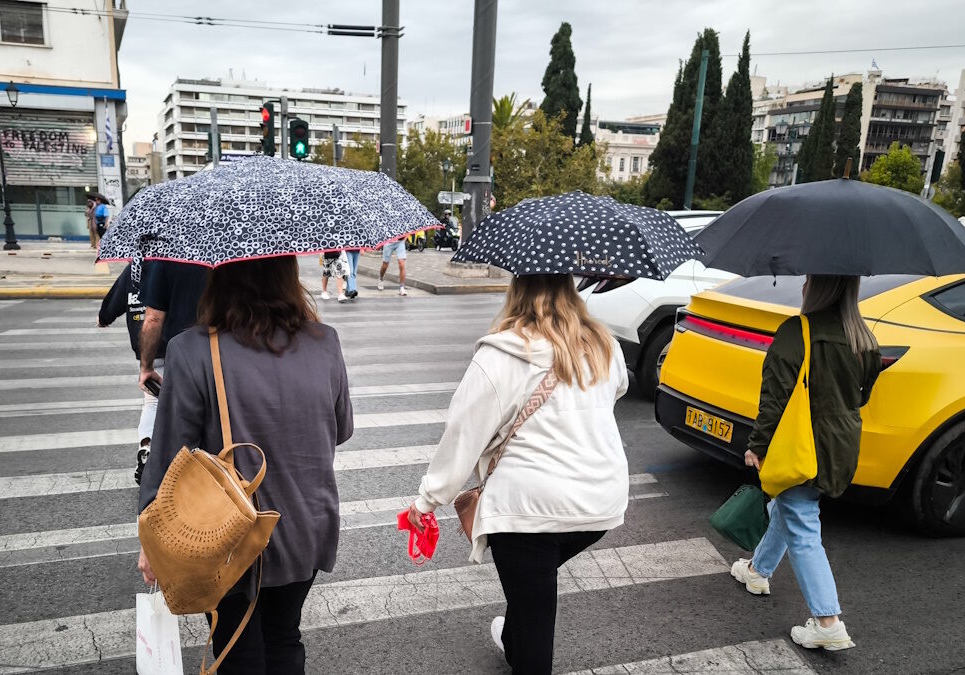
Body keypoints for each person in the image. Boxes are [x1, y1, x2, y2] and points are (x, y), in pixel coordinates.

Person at [138, 255, 354, 674]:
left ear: (219, 276)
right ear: (288, 275)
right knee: (284, 635)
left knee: (237, 649)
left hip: (229, 535)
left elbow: (167, 457)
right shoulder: (324, 341)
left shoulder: (191, 349)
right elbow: (341, 428)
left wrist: (151, 538)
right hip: (307, 526)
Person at [408, 273, 630, 674]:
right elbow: (616, 392)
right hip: (601, 501)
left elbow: (463, 434)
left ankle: (522, 643)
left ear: (517, 289)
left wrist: (427, 501)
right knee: (531, 588)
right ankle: (514, 636)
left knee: (533, 612)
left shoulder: (502, 354)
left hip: (528, 508)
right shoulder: (604, 345)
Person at [731, 275, 881, 652]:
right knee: (791, 507)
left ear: (816, 288)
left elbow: (775, 396)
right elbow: (862, 396)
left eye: (809, 280)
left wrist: (757, 445)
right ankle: (758, 571)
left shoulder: (798, 331)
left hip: (802, 442)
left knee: (802, 524)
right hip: (842, 443)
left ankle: (828, 621)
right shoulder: (863, 337)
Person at [135, 260, 209, 482]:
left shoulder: (167, 258)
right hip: (222, 351)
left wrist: (146, 366)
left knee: (181, 422)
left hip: (180, 356)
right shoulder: (229, 254)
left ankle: (173, 476)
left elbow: (153, 319)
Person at [97, 262, 148, 484]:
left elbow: (115, 300)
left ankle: (147, 449)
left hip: (146, 349)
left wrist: (104, 318)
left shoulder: (135, 267)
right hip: (175, 344)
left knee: (152, 403)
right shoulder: (178, 263)